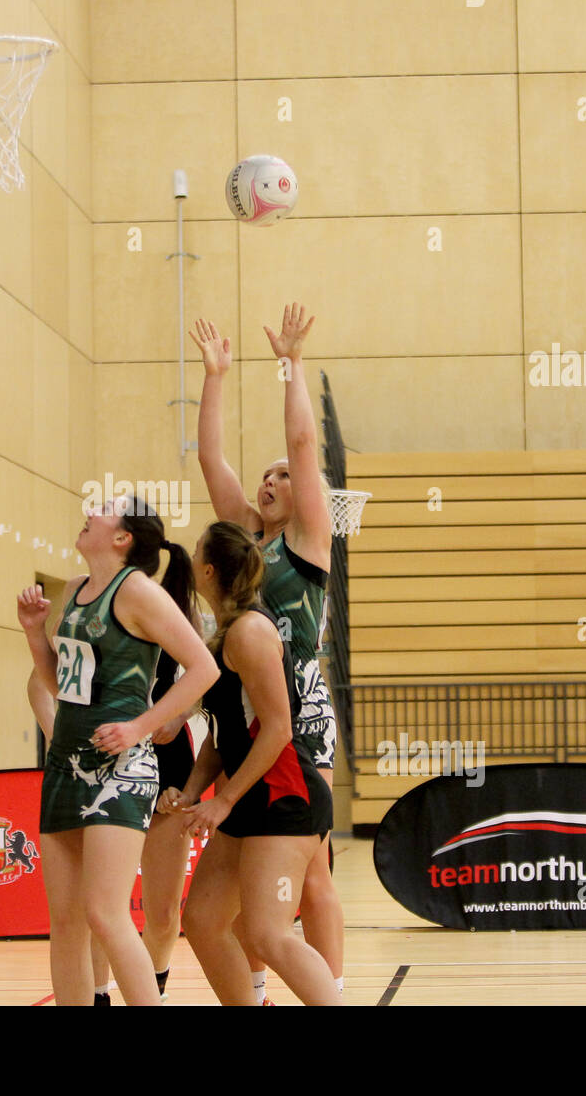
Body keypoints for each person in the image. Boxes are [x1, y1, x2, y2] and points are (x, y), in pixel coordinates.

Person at [191, 303, 345, 1001]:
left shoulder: (308, 542)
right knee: (244, 909)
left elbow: (305, 444)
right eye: (267, 476)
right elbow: (209, 459)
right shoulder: (246, 544)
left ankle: (331, 984)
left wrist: (290, 363)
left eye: (283, 476)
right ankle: (272, 984)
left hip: (298, 717)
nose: (272, 480)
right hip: (248, 715)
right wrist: (215, 376)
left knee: (307, 879)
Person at [18, 495, 217, 1006]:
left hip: (121, 768)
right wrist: (36, 634)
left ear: (123, 537)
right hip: (66, 763)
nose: (89, 510)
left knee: (106, 915)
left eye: (103, 508)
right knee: (65, 923)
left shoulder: (138, 592)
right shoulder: (78, 590)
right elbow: (61, 686)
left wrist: (139, 728)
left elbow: (203, 669)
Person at [163, 521, 337, 1005]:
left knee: (267, 933)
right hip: (248, 801)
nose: (191, 560)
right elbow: (221, 737)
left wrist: (225, 802)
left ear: (210, 568)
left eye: (197, 552)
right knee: (202, 919)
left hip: (284, 799)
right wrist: (195, 791)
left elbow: (279, 728)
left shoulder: (252, 632)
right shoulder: (222, 636)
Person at [29, 647, 198, 1005]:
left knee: (164, 912)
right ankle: (98, 994)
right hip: (100, 759)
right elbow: (39, 684)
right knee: (102, 908)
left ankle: (154, 989)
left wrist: (178, 715)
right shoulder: (87, 607)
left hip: (164, 754)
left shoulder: (166, 604)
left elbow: (207, 675)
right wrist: (60, 743)